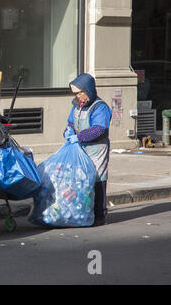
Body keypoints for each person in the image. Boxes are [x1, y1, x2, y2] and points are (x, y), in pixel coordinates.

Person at [64, 73, 112, 227]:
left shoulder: (100, 107)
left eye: (79, 92)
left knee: (97, 180)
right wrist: (68, 130)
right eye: (75, 94)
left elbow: (99, 128)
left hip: (97, 149)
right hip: (81, 148)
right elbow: (72, 122)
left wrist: (79, 137)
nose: (77, 96)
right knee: (81, 181)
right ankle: (84, 212)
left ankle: (99, 215)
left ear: (88, 90)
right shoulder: (77, 105)